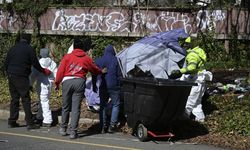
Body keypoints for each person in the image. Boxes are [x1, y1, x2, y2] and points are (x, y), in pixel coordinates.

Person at [55, 37, 107, 139]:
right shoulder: (86, 58)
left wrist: (57, 83)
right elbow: (94, 69)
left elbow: (60, 71)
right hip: (79, 81)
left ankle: (63, 128)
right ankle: (73, 132)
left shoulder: (67, 57)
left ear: (74, 47)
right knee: (76, 108)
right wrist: (101, 71)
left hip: (67, 81)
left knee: (65, 106)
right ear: (82, 47)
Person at [4, 34, 51, 130]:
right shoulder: (29, 49)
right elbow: (35, 63)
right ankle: (30, 123)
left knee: (14, 98)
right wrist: (43, 70)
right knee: (25, 98)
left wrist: (9, 74)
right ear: (29, 40)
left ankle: (12, 121)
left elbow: (6, 63)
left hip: (11, 75)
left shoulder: (13, 48)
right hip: (21, 76)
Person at [170, 37, 212, 122]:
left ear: (190, 45)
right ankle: (200, 120)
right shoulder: (199, 51)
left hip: (196, 81)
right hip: (200, 80)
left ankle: (183, 121)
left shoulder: (192, 55)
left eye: (186, 44)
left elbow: (192, 68)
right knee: (197, 103)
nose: (184, 46)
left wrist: (180, 72)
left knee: (189, 102)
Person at [93, 44, 121, 133]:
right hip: (114, 85)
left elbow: (94, 73)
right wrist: (120, 85)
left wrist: (94, 85)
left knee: (103, 105)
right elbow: (119, 75)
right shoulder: (116, 60)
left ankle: (102, 126)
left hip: (103, 85)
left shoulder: (99, 60)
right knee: (116, 104)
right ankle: (112, 125)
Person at [30, 48, 58, 127]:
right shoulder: (52, 63)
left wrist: (30, 84)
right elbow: (56, 73)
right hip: (49, 84)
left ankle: (47, 120)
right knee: (44, 100)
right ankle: (40, 116)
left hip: (41, 83)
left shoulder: (38, 63)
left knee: (44, 101)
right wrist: (57, 83)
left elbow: (33, 76)